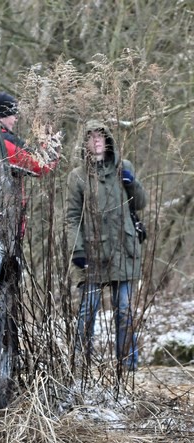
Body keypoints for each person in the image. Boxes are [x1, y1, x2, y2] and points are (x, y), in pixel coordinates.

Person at [65, 120, 147, 371]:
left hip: (123, 249)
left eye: (101, 136)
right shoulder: (77, 176)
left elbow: (140, 203)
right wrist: (77, 250)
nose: (97, 141)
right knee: (87, 312)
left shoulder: (125, 167)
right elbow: (71, 217)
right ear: (85, 143)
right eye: (91, 137)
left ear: (108, 140)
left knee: (123, 311)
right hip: (92, 252)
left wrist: (130, 182)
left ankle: (128, 364)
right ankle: (80, 364)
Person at [0, 91, 61, 241]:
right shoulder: (5, 142)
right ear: (1, 116)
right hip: (5, 221)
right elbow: (40, 167)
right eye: (13, 114)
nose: (16, 119)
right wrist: (52, 147)